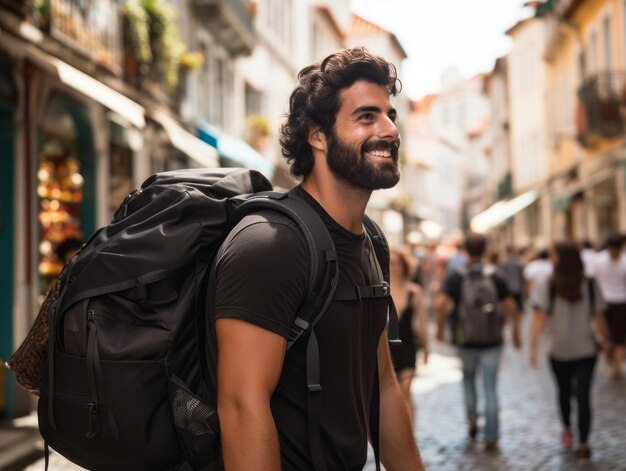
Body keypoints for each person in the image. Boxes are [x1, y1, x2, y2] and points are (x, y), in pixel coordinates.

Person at [210, 47, 424, 470]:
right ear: (317, 135)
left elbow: (381, 384)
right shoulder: (271, 245)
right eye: (366, 117)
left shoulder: (371, 243)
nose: (389, 130)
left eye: (390, 115)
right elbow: (240, 407)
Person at [434, 233, 521, 452]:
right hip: (492, 338)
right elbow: (511, 305)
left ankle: (472, 419)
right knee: (490, 385)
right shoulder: (495, 275)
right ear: (485, 250)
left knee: (468, 379)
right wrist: (516, 331)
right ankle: (491, 435)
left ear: (465, 250)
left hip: (466, 339)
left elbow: (439, 302)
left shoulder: (456, 276)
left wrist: (441, 328)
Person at [529, 242, 609, 461]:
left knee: (564, 392)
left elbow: (539, 317)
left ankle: (568, 429)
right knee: (584, 396)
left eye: (554, 255)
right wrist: (607, 340)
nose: (552, 259)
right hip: (586, 349)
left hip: (558, 349)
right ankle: (583, 442)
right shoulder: (590, 283)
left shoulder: (549, 283)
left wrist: (533, 347)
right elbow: (599, 316)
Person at [389, 246, 429, 427]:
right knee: (391, 394)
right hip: (387, 349)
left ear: (404, 266)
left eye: (396, 263)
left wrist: (427, 349)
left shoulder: (414, 291)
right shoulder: (381, 290)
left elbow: (422, 323)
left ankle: (409, 431)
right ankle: (395, 430)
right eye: (389, 263)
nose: (392, 266)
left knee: (406, 390)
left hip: (408, 347)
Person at [591, 235, 626, 379]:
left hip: (613, 302)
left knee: (615, 336)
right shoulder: (601, 260)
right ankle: (614, 364)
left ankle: (614, 365)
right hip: (613, 302)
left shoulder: (599, 260)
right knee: (611, 335)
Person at [499, 246, 525, 312]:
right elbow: (522, 275)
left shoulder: (504, 263)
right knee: (518, 308)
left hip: (508, 287)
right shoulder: (518, 262)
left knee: (511, 309)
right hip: (517, 287)